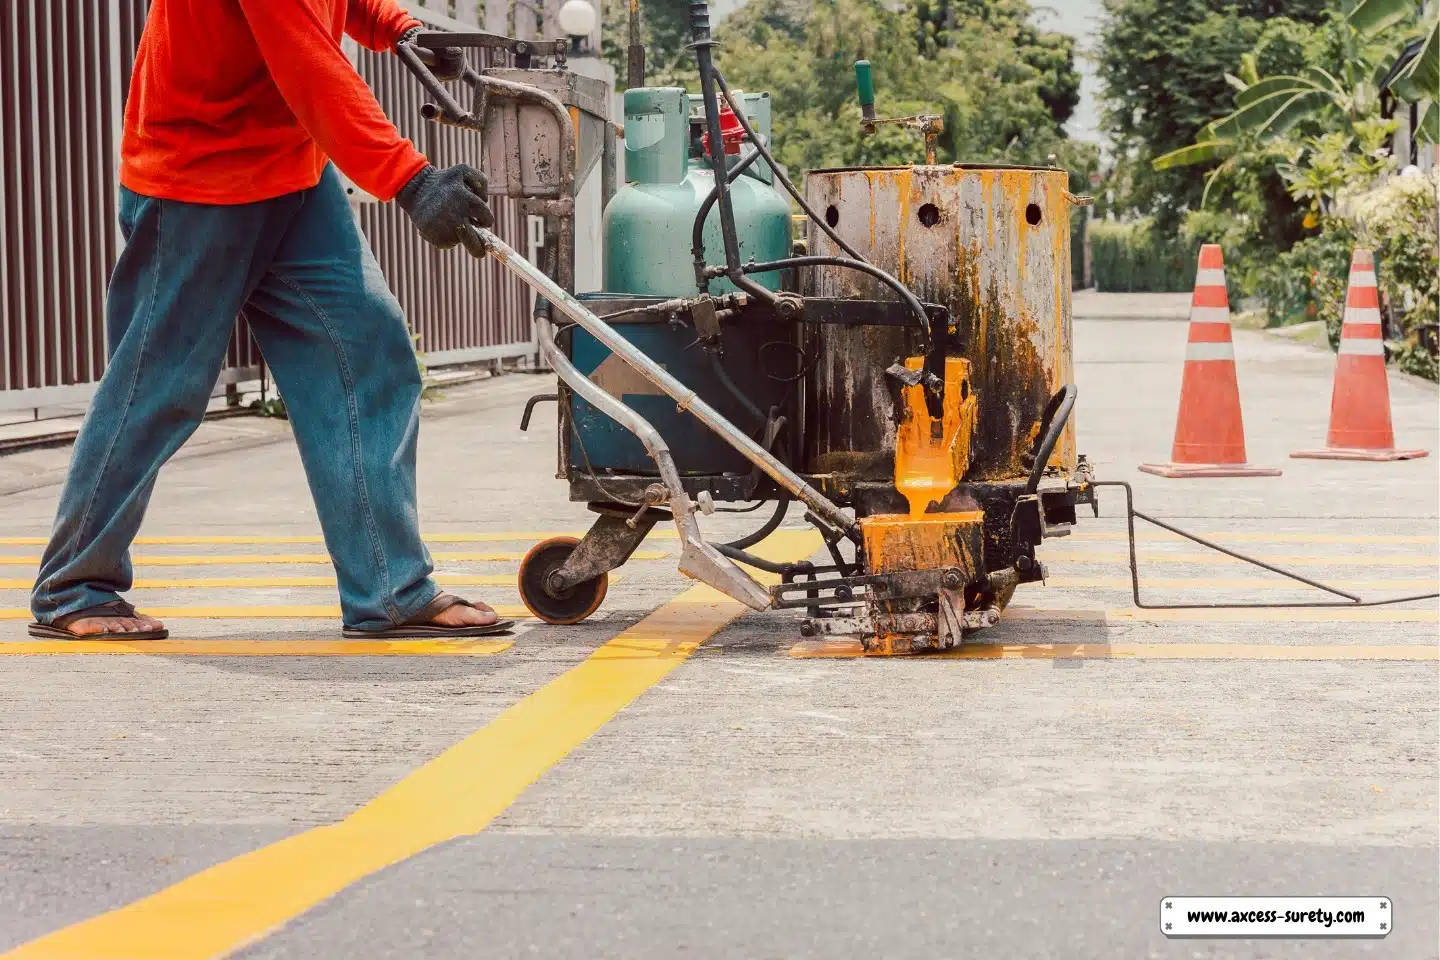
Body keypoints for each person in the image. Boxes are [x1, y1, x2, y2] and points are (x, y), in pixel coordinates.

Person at [27, 0, 510, 641]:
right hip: (196, 179)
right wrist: (411, 180)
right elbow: (311, 68)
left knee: (367, 349)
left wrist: (398, 28)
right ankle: (75, 586)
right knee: (157, 387)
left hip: (290, 175)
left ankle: (390, 589)